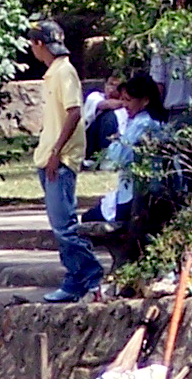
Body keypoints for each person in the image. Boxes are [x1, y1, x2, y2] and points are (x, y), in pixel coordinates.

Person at [28, 20, 102, 303]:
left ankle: (90, 277)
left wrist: (57, 152)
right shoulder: (53, 74)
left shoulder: (64, 72)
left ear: (39, 44)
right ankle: (74, 278)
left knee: (64, 226)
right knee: (60, 226)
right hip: (48, 157)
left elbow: (74, 113)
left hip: (58, 160)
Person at [84, 73, 168, 230]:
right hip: (155, 194)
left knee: (87, 218)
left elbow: (117, 157)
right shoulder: (160, 121)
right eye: (122, 99)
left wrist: (116, 140)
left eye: (128, 100)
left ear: (145, 101)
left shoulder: (140, 124)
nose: (124, 105)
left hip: (134, 198)